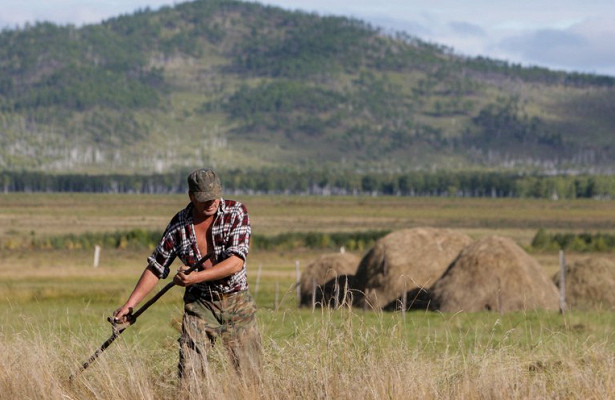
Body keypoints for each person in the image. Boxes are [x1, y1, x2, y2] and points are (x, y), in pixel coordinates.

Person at [113, 168, 261, 381]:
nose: (211, 202)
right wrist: (129, 306)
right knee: (190, 373)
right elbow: (156, 267)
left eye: (214, 196)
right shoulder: (178, 225)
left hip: (235, 298)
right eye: (204, 198)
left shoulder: (236, 212)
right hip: (199, 303)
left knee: (250, 374)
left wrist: (194, 278)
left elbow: (235, 263)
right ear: (191, 196)